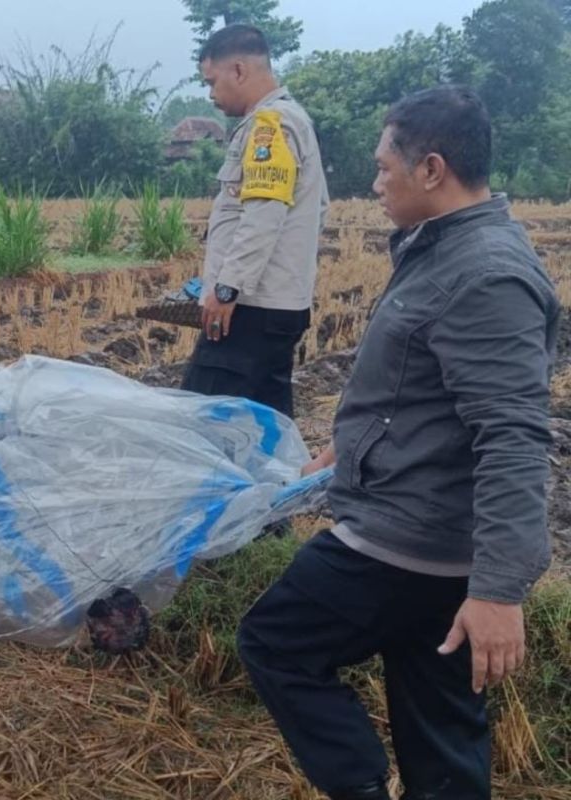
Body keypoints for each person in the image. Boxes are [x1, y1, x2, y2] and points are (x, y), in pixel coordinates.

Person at [237, 87, 558, 800]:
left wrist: (500, 590)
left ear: (433, 169)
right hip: (427, 540)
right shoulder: (444, 248)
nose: (375, 183)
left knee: (276, 642)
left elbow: (512, 436)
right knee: (439, 726)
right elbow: (414, 391)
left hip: (404, 541)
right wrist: (343, 454)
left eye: (385, 168)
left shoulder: (487, 275)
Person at [180, 24, 329, 419]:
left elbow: (262, 216)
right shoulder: (295, 120)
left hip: (250, 309)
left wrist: (227, 290)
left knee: (204, 423)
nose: (211, 94)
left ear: (240, 71)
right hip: (278, 307)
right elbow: (320, 209)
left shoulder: (270, 126)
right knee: (266, 425)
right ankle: (279, 482)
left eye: (212, 81)